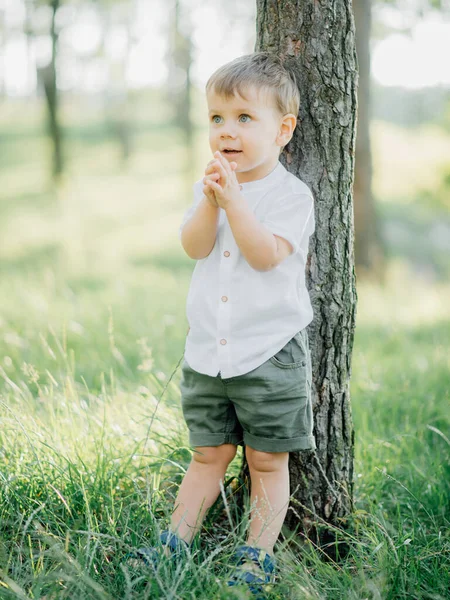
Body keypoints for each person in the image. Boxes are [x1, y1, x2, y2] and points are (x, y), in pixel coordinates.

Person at [134, 52, 316, 597]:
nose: (226, 132)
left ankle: (256, 556)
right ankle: (175, 541)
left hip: (269, 352)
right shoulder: (208, 185)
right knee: (209, 453)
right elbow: (193, 246)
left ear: (282, 131)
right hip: (208, 351)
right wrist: (212, 202)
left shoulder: (290, 195)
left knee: (266, 458)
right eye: (216, 118)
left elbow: (264, 256)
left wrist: (234, 201)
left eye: (243, 119)